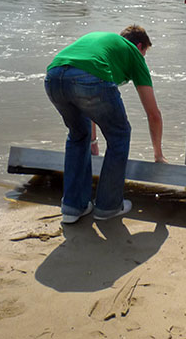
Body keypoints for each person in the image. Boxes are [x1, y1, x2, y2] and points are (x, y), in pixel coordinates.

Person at [44, 25, 166, 224]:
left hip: (54, 76)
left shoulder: (104, 44)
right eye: (145, 53)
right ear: (140, 46)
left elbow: (87, 100)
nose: (143, 58)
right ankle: (108, 206)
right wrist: (158, 155)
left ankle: (73, 207)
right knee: (120, 135)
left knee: (77, 135)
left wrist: (93, 142)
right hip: (89, 78)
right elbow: (154, 114)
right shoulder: (134, 54)